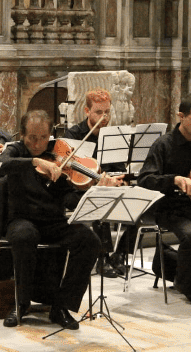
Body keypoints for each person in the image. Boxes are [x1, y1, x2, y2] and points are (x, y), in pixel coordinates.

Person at [0, 110, 120, 329]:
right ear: (23, 135)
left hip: (54, 221)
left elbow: (70, 200)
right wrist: (35, 161)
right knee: (24, 235)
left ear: (50, 135)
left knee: (89, 241)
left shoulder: (62, 154)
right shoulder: (16, 150)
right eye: (32, 137)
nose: (38, 143)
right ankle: (21, 303)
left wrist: (94, 189)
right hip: (22, 220)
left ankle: (62, 306)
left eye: (43, 137)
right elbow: (1, 165)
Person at [137, 93, 191, 307]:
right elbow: (145, 179)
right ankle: (186, 284)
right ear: (181, 116)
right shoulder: (163, 144)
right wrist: (174, 179)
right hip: (170, 208)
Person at [63, 88, 130, 277]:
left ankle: (120, 254)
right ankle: (102, 258)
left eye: (107, 112)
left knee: (139, 200)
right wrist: (96, 182)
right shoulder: (74, 134)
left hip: (106, 186)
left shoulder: (113, 135)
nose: (104, 117)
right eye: (98, 112)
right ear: (87, 111)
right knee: (99, 201)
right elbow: (70, 172)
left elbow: (119, 167)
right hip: (76, 191)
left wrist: (116, 179)